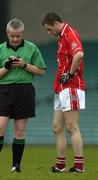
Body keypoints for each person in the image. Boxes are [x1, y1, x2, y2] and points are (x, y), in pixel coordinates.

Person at [0, 19, 46, 173]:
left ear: (22, 33)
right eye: (13, 36)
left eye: (18, 36)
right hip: (4, 90)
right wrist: (6, 67)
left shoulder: (32, 48)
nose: (16, 39)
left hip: (25, 91)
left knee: (19, 130)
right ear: (7, 34)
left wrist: (24, 65)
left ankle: (16, 166)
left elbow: (41, 71)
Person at [42, 12, 85, 173]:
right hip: (62, 87)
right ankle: (60, 165)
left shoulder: (69, 33)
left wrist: (71, 73)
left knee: (71, 126)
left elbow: (79, 54)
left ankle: (79, 166)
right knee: (56, 127)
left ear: (55, 23)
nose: (49, 33)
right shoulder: (62, 37)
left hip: (71, 85)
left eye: (48, 29)